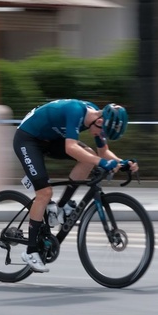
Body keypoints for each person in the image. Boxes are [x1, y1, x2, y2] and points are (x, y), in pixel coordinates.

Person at [13, 99, 138, 273]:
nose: (102, 136)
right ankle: (31, 251)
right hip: (28, 139)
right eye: (104, 132)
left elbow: (103, 153)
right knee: (44, 193)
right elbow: (71, 147)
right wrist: (102, 162)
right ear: (100, 121)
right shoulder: (75, 111)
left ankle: (61, 207)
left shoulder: (96, 116)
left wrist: (122, 162)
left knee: (89, 157)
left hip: (51, 140)